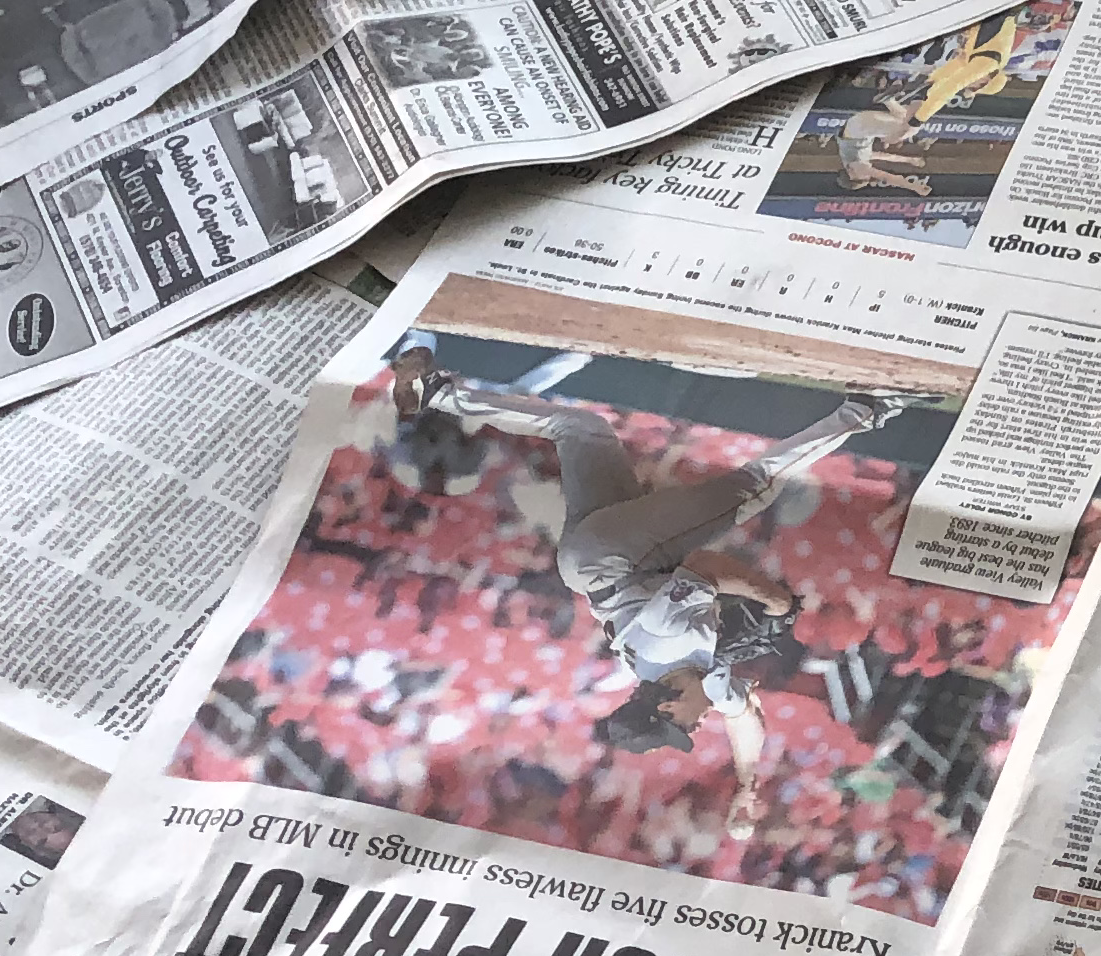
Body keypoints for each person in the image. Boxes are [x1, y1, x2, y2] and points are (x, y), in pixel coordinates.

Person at [387, 345, 908, 847]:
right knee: (579, 429)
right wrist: (748, 786)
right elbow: (744, 717)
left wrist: (777, 602)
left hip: (615, 556)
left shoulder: (666, 643)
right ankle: (439, 395)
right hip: (594, 565)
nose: (697, 725)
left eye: (683, 725)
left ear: (666, 702)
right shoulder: (691, 678)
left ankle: (869, 407)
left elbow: (706, 567)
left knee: (753, 485)